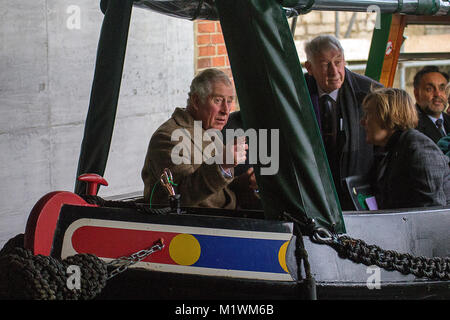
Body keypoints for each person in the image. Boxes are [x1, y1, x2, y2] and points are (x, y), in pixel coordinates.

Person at [141, 68, 248, 209]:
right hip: (189, 228)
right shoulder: (167, 137)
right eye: (218, 100)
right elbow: (180, 195)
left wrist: (245, 184)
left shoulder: (209, 130)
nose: (226, 110)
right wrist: (222, 165)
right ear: (196, 101)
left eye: (229, 101)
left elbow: (219, 193)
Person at [303, 35, 382, 210]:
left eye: (338, 62)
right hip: (313, 193)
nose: (334, 71)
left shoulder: (370, 93)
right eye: (325, 64)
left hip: (358, 193)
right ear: (309, 68)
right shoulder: (296, 94)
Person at [360, 87, 450, 210]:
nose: (363, 122)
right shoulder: (395, 148)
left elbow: (432, 215)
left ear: (388, 116)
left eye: (369, 114)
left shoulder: (419, 149)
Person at [414, 65, 450, 144]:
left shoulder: (448, 119)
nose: (437, 94)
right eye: (429, 89)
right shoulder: (410, 125)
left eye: (442, 88)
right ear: (416, 94)